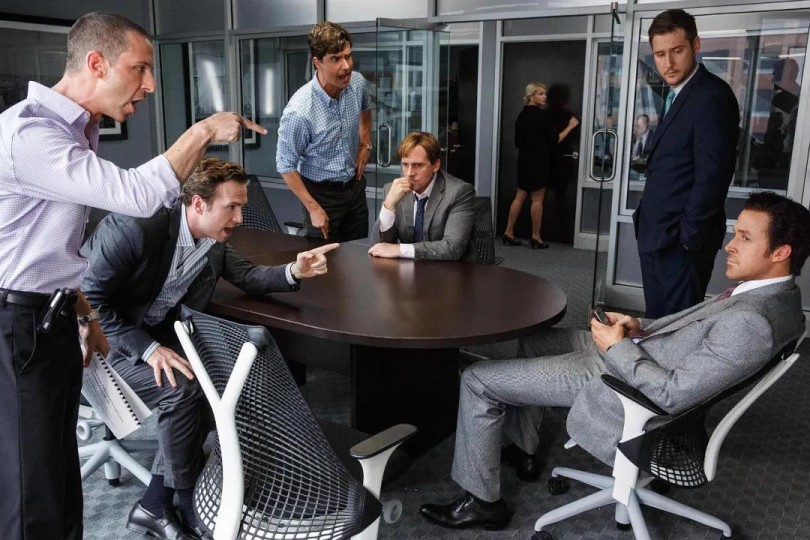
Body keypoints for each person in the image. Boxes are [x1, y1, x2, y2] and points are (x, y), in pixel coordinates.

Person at [0, 12, 265, 540]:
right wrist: (204, 130)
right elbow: (140, 196)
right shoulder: (31, 135)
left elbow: (45, 247)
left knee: (55, 475)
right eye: (140, 68)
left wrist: (82, 312)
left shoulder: (73, 131)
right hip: (19, 325)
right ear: (97, 64)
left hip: (50, 316)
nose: (149, 84)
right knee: (34, 490)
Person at [420, 191, 809, 530]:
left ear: (781, 252)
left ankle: (483, 503)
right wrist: (638, 327)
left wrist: (616, 348)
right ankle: (524, 449)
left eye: (745, 237)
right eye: (734, 233)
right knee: (534, 339)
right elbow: (697, 336)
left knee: (477, 379)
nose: (729, 246)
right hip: (639, 352)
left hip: (622, 380)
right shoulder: (779, 299)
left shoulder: (751, 323)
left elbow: (672, 395)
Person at [80, 158, 337, 540]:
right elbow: (88, 300)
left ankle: (154, 503)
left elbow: (247, 274)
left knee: (213, 383)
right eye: (231, 207)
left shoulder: (213, 240)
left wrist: (294, 271)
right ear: (198, 203)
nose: (239, 218)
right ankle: (187, 502)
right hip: (100, 345)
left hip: (157, 336)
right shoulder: (135, 227)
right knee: (182, 390)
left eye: (242, 207)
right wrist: (148, 349)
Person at [634, 8, 740, 318]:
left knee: (676, 328)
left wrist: (686, 241)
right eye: (660, 54)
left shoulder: (711, 96)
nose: (668, 63)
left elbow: (713, 176)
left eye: (677, 51)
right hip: (658, 235)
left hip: (679, 244)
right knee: (657, 322)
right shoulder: (677, 94)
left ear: (696, 45)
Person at [277, 21, 372, 242]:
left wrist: (365, 144)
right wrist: (313, 208)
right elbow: (285, 165)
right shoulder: (299, 112)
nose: (346, 66)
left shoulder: (357, 83)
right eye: (336, 59)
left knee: (359, 253)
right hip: (321, 195)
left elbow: (366, 109)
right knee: (324, 259)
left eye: (348, 56)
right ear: (317, 62)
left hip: (354, 186)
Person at [368, 131, 475, 261]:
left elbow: (453, 247)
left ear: (435, 165)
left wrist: (400, 249)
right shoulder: (393, 190)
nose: (409, 173)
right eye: (405, 164)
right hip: (410, 269)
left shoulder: (459, 192)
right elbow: (377, 246)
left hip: (451, 269)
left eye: (417, 165)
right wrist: (388, 205)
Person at [502, 82, 578, 249]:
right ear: (531, 96)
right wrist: (570, 126)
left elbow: (517, 142)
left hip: (524, 160)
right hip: (539, 161)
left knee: (520, 196)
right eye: (540, 94)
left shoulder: (522, 115)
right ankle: (536, 237)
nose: (544, 97)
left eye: (545, 93)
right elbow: (555, 139)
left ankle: (508, 232)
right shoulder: (540, 116)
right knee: (537, 199)